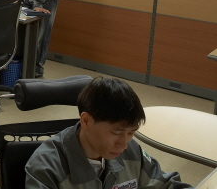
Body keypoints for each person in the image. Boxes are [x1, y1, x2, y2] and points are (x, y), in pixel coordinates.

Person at [25, 77, 193, 189]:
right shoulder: (46, 168)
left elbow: (166, 184)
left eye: (131, 132)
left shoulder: (131, 151)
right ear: (86, 121)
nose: (124, 144)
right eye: (116, 132)